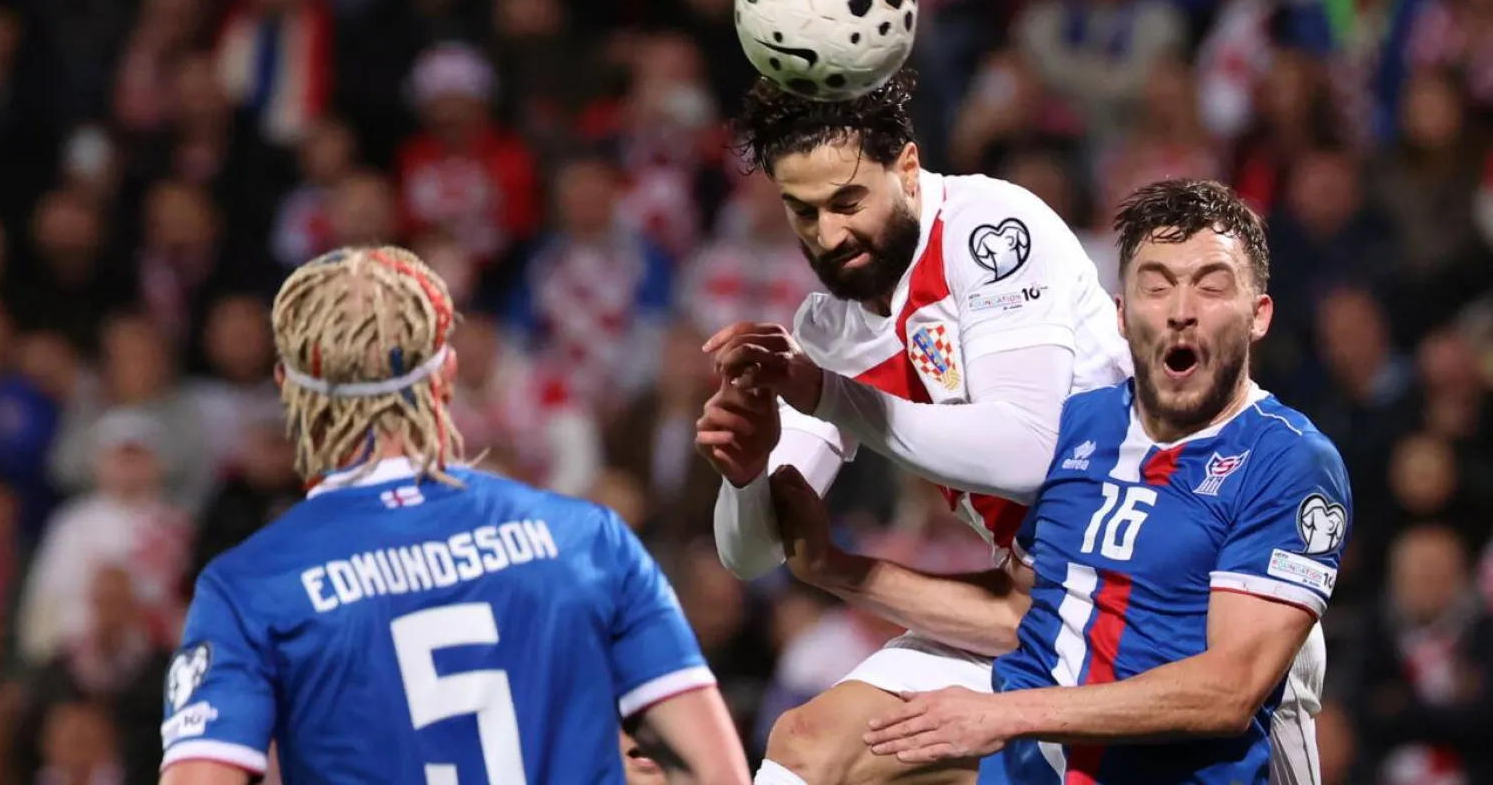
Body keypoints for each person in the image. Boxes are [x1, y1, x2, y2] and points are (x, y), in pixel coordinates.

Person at [698, 73, 1326, 785]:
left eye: (848, 202)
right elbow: (753, 553)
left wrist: (829, 397)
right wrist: (745, 475)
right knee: (809, 745)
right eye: (803, 212)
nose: (830, 235)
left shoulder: (988, 228)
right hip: (1037, 607)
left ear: (908, 168)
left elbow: (1026, 450)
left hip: (1184, 601)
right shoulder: (827, 333)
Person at [804, 178, 1350, 783]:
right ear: (1121, 314)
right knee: (808, 743)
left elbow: (1228, 691)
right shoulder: (1079, 427)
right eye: (1156, 285)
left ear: (1259, 316)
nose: (1181, 310)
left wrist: (1006, 714)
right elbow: (1020, 609)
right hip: (1041, 760)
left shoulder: (1290, 461)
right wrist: (833, 567)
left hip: (1179, 765)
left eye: (1211, 286)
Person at [157, 247, 749, 785]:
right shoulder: (589, 541)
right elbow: (719, 772)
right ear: (446, 375)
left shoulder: (250, 587)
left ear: (288, 388)